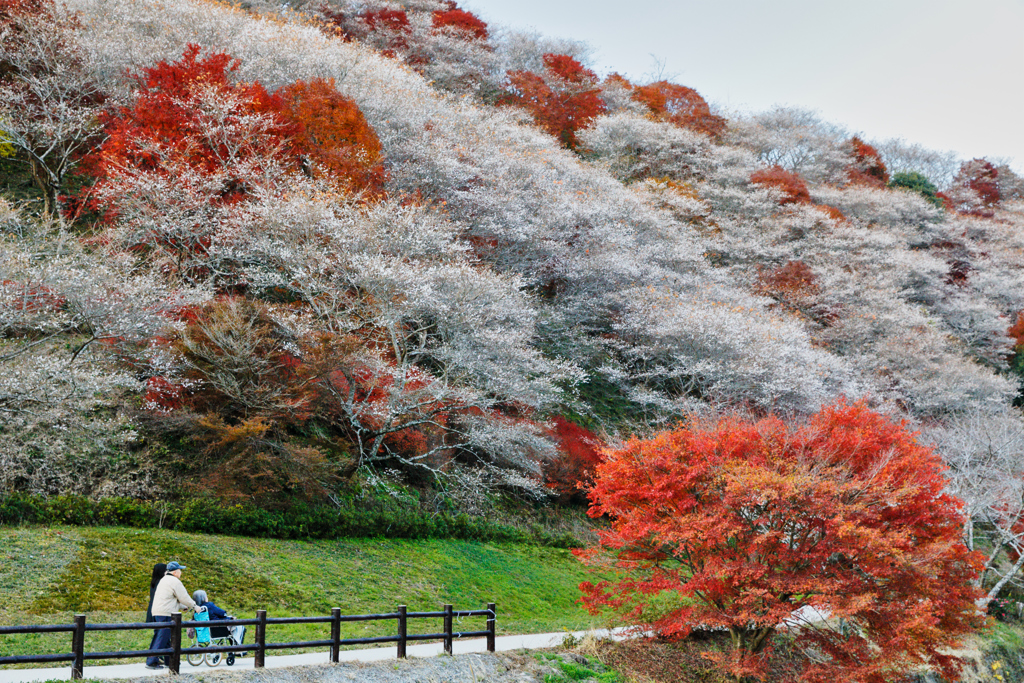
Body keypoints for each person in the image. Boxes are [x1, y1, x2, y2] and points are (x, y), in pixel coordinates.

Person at [145, 561, 197, 670]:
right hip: (166, 613)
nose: (181, 573)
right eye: (180, 570)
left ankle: (170, 661)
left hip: (157, 612)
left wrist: (183, 606)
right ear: (175, 572)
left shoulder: (164, 580)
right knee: (162, 637)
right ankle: (151, 661)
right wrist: (195, 606)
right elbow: (183, 597)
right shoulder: (174, 581)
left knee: (164, 637)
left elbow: (171, 598)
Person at [143, 563, 167, 662]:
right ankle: (153, 658)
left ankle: (168, 659)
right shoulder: (161, 583)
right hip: (159, 611)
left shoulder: (154, 582)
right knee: (161, 635)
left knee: (162, 635)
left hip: (153, 610)